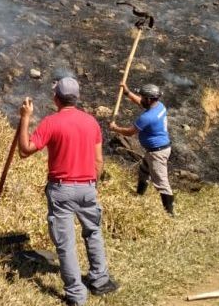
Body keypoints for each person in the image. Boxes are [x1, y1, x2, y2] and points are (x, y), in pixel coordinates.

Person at [17, 77, 118, 305]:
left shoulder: (51, 123)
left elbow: (24, 151)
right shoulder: (91, 122)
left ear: (56, 99)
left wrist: (24, 119)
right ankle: (100, 280)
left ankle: (76, 295)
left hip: (61, 190)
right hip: (88, 186)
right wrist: (92, 185)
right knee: (93, 232)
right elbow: (99, 160)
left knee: (65, 243)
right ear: (77, 97)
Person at [109, 82, 174, 216]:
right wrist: (127, 92)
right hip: (158, 149)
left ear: (149, 100)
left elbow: (129, 132)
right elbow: (140, 102)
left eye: (144, 97)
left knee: (162, 182)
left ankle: (170, 213)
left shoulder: (147, 117)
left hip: (157, 153)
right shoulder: (159, 106)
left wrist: (115, 128)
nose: (141, 99)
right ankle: (138, 195)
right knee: (144, 171)